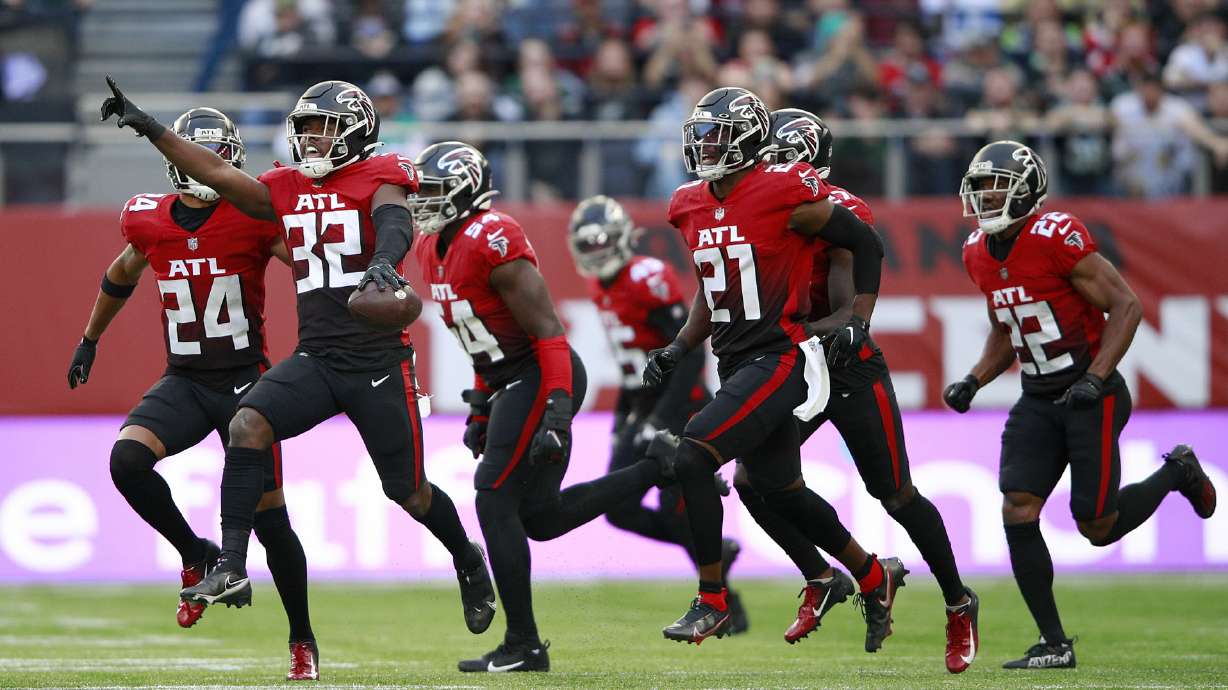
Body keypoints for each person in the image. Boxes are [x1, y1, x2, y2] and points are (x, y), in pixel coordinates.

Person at [99, 80, 497, 677]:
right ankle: (230, 563)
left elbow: (392, 218)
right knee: (248, 422)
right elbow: (215, 171)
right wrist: (151, 125)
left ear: (356, 128)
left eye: (322, 127)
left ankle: (466, 557)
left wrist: (385, 262)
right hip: (317, 357)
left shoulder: (380, 171)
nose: (310, 137)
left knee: (407, 491)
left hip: (377, 363)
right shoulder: (283, 187)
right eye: (305, 127)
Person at [944, 140, 1218, 670]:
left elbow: (1126, 305)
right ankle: (1053, 643)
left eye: (998, 186)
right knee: (1017, 507)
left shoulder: (1056, 236)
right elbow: (1009, 327)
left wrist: (1095, 377)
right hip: (1038, 396)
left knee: (1096, 525)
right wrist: (974, 380)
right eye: (980, 188)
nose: (986, 198)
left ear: (1028, 192)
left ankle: (1178, 471)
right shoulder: (977, 250)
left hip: (1091, 395)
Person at [650, 86, 906, 649]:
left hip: (781, 355)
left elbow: (863, 240)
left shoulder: (784, 187)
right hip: (734, 357)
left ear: (746, 137)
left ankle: (712, 601)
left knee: (692, 455)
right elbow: (712, 285)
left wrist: (857, 317)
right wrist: (676, 348)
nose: (704, 143)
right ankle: (869, 573)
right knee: (776, 487)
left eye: (716, 133)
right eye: (701, 132)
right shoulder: (688, 203)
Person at [68, 107, 319, 681]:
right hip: (183, 378)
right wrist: (89, 339)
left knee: (271, 525)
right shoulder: (148, 220)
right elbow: (123, 272)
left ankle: (301, 639)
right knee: (127, 461)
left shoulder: (253, 218)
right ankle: (194, 551)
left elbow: (312, 269)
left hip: (248, 386)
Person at [409, 142, 677, 672]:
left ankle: (524, 644)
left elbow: (548, 334)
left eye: (436, 191)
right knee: (540, 518)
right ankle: (658, 467)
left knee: (491, 498)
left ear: (465, 192)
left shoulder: (492, 236)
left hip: (540, 373)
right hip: (510, 378)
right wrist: (481, 407)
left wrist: (555, 413)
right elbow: (479, 338)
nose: (424, 203)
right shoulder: (429, 248)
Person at [736, 108, 979, 673]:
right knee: (752, 480)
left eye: (780, 159)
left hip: (847, 366)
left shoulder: (837, 208)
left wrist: (834, 326)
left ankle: (958, 600)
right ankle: (822, 576)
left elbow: (848, 290)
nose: (771, 169)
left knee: (894, 494)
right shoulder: (753, 207)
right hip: (795, 363)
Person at [566, 194, 749, 634]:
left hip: (681, 404)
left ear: (623, 237)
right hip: (643, 403)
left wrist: (662, 420)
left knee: (679, 507)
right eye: (588, 245)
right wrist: (624, 419)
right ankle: (718, 558)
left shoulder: (648, 276)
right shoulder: (600, 286)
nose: (597, 253)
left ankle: (725, 602)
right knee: (620, 509)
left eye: (602, 242)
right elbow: (630, 364)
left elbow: (686, 355)